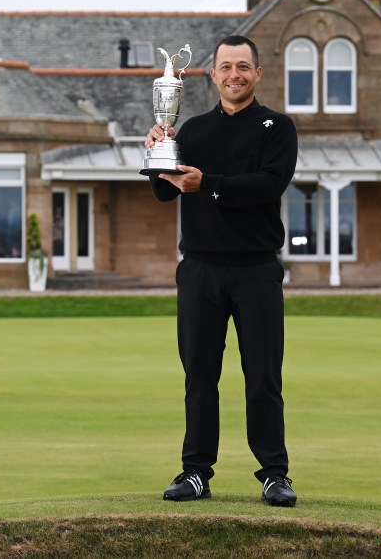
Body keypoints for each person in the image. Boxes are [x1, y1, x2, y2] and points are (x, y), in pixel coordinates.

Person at [144, 35, 299, 507]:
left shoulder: (277, 127)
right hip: (200, 270)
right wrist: (158, 150)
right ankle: (196, 472)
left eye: (243, 67)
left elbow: (268, 183)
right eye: (226, 67)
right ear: (212, 75)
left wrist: (207, 183)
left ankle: (274, 475)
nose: (235, 75)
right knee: (199, 376)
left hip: (256, 270)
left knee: (263, 377)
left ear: (258, 73)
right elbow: (165, 192)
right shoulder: (191, 130)